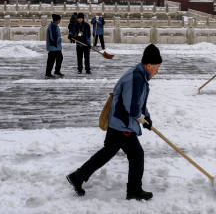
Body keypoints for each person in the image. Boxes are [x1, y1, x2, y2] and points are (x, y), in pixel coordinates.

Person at [66, 44, 162, 201]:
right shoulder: (136, 78)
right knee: (137, 155)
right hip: (122, 124)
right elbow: (131, 108)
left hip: (118, 121)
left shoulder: (140, 75)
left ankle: (78, 176)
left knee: (107, 152)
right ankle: (134, 191)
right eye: (157, 67)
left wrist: (147, 117)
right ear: (149, 65)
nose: (157, 71)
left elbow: (139, 103)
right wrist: (141, 119)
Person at [45, 14, 64, 78]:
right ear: (56, 20)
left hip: (56, 47)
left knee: (59, 58)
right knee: (51, 60)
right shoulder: (53, 27)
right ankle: (48, 73)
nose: (59, 21)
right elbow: (53, 38)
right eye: (59, 20)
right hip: (53, 47)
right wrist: (60, 39)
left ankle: (57, 71)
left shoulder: (55, 26)